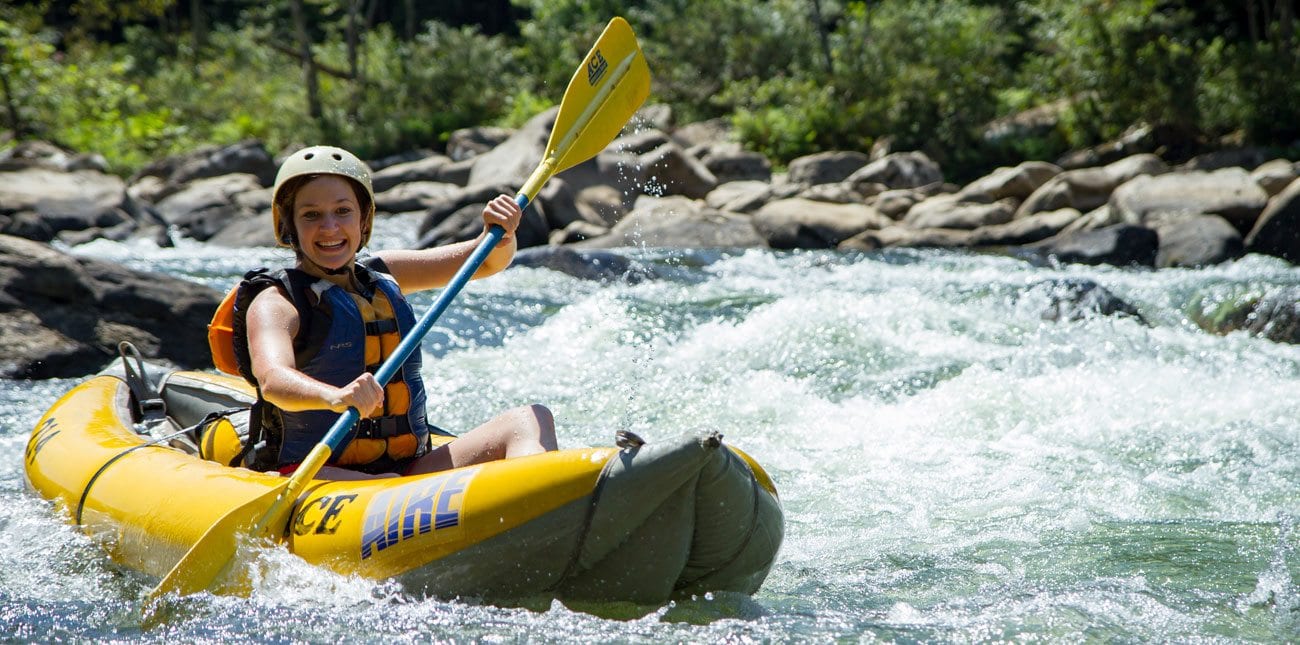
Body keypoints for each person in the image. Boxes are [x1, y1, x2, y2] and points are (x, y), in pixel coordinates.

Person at [235, 145, 556, 480]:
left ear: (364, 220)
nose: (329, 227)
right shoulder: (276, 299)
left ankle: (542, 497)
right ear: (289, 227)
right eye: (311, 215)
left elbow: (486, 261)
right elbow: (273, 379)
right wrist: (335, 397)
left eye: (343, 211)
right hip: (315, 473)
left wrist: (502, 234)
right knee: (385, 484)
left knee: (530, 418)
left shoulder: (385, 272)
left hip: (403, 469)